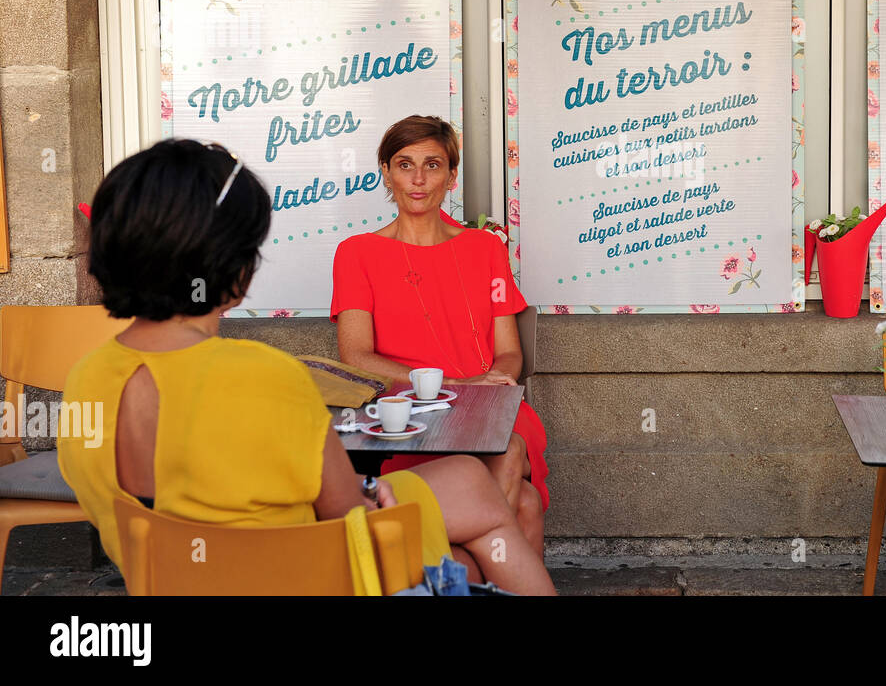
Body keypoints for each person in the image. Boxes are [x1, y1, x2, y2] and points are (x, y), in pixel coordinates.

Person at [58, 139, 555, 596]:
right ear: (235, 268)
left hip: (183, 579)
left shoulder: (84, 379)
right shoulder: (264, 374)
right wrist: (372, 495)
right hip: (311, 577)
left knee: (474, 485)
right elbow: (349, 513)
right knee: (475, 526)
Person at [332, 115, 547, 556]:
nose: (417, 178)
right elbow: (356, 355)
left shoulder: (485, 248)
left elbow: (508, 353)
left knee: (507, 449)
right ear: (386, 172)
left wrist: (492, 384)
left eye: (432, 165)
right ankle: (470, 571)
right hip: (407, 414)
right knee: (523, 503)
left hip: (490, 408)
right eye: (404, 164)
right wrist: (451, 386)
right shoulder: (357, 253)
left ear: (451, 176)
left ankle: (442, 572)